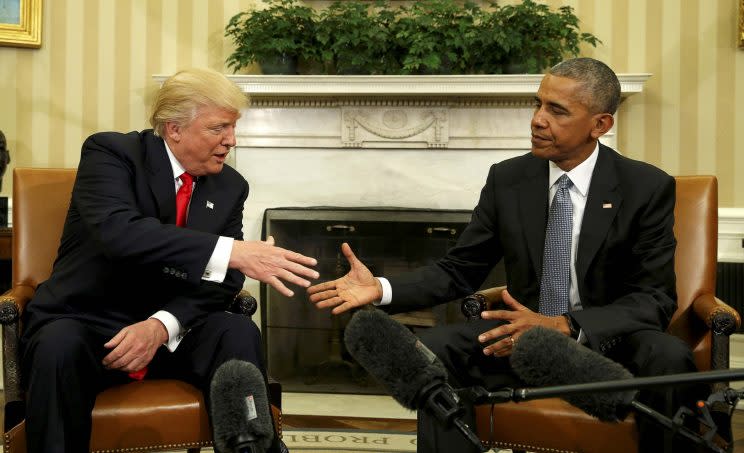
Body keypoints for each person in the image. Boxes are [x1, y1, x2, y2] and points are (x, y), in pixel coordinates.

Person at [308, 58, 713, 453]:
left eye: (556, 110)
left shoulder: (645, 186)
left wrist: (566, 325)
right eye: (537, 104)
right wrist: (381, 287)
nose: (538, 119)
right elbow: (459, 269)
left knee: (669, 356)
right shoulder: (509, 179)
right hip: (520, 339)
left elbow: (653, 299)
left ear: (600, 124)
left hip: (609, 340)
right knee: (438, 348)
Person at [20, 67, 319, 453]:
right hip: (88, 323)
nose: (232, 141)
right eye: (219, 128)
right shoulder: (111, 154)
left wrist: (162, 326)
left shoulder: (229, 185)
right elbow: (121, 234)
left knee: (238, 331)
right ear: (174, 128)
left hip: (171, 334)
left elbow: (224, 282)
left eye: (233, 128)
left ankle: (254, 447)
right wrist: (234, 252)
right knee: (57, 343)